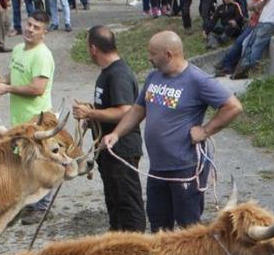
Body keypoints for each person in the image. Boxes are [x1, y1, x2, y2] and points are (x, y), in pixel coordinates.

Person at [99, 31, 244, 231]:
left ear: (168, 54)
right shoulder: (153, 78)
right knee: (159, 227)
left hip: (184, 167)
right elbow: (138, 110)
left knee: (189, 229)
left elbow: (233, 106)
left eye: (152, 53)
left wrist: (206, 130)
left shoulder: (198, 80)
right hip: (158, 168)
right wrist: (116, 134)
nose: (149, 58)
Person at [75, 26, 147, 232]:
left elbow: (126, 111)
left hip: (122, 148)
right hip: (108, 149)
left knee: (128, 204)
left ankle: (135, 249)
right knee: (115, 203)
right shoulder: (108, 73)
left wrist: (90, 114)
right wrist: (92, 113)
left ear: (93, 48)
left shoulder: (119, 75)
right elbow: (111, 108)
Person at [0, 11, 56, 226]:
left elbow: (37, 88)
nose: (30, 30)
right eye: (29, 24)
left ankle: (43, 208)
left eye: (37, 27)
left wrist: (6, 88)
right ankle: (25, 205)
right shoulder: (18, 49)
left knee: (39, 162)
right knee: (23, 161)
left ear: (44, 33)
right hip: (20, 118)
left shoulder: (43, 56)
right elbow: (14, 75)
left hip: (37, 119)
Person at [213, 0, 268, 75]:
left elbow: (255, 8)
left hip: (257, 24)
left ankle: (226, 63)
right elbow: (251, 7)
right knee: (240, 43)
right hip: (251, 23)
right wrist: (255, 7)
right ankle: (227, 65)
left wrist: (255, 7)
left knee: (240, 42)